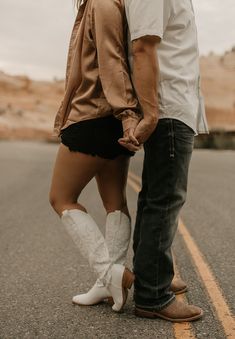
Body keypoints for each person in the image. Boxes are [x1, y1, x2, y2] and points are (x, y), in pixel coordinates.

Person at [49, 0, 142, 312]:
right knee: (115, 201)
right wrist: (126, 114)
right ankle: (107, 286)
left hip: (92, 116)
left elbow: (112, 61)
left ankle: (115, 275)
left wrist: (127, 114)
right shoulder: (108, 4)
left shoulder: (101, 4)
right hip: (111, 116)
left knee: (61, 198)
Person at [119, 0, 209, 322]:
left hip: (174, 107)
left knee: (155, 197)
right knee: (165, 199)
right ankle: (153, 295)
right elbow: (142, 46)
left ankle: (152, 276)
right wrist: (153, 112)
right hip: (168, 107)